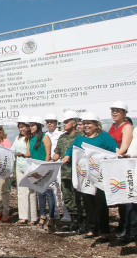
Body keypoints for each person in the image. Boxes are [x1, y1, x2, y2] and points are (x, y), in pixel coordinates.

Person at [62, 112, 118, 240]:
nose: (86, 126)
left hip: (100, 175)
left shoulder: (104, 136)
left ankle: (104, 230)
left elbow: (114, 150)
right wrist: (66, 156)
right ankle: (92, 228)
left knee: (100, 202)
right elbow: (72, 149)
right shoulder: (80, 138)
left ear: (96, 125)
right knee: (88, 201)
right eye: (84, 123)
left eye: (89, 123)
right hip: (85, 176)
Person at [51, 110, 84, 232]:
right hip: (65, 172)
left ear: (74, 123)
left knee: (79, 197)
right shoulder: (62, 137)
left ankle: (83, 221)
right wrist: (51, 160)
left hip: (77, 172)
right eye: (63, 122)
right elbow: (57, 152)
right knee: (67, 197)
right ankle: (74, 219)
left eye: (66, 122)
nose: (64, 124)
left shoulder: (80, 136)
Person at [26, 116, 57, 232]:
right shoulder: (31, 139)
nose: (30, 127)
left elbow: (48, 154)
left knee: (48, 192)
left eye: (33, 125)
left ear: (38, 126)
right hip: (35, 169)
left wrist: (44, 169)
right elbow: (29, 153)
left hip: (44, 168)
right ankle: (43, 215)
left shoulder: (45, 137)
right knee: (40, 193)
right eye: (30, 125)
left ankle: (52, 217)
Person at [108, 101, 133, 238]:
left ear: (124, 113)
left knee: (127, 198)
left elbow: (124, 147)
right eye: (113, 110)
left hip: (123, 164)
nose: (114, 113)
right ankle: (121, 224)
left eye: (118, 110)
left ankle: (128, 229)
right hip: (114, 164)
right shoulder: (112, 126)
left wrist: (111, 157)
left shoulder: (126, 127)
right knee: (119, 197)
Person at [12, 115, 38, 225]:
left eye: (23, 127)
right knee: (21, 191)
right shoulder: (17, 138)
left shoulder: (32, 139)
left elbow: (32, 152)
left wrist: (23, 154)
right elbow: (12, 149)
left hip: (29, 166)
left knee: (31, 191)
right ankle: (23, 216)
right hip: (19, 166)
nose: (21, 129)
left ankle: (33, 217)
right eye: (19, 127)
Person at [45, 113, 66, 223]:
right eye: (47, 122)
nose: (49, 124)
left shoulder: (61, 134)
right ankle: (55, 214)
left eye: (51, 122)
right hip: (49, 163)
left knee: (62, 190)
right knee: (52, 189)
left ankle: (66, 215)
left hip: (60, 163)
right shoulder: (45, 135)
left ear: (55, 123)